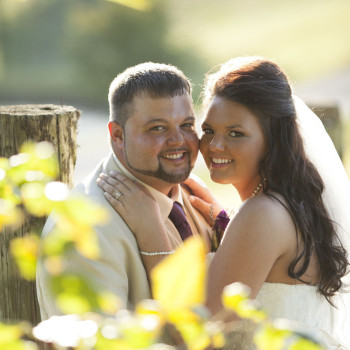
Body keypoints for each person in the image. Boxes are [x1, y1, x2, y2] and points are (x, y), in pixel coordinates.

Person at [97, 57, 350, 349]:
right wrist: (225, 226)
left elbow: (198, 334)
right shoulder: (291, 203)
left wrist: (150, 228)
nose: (215, 145)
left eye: (236, 133)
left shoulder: (263, 214)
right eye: (208, 130)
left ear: (273, 139)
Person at [36, 62, 212, 320]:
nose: (178, 141)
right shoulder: (84, 232)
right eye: (158, 128)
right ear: (117, 135)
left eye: (187, 125)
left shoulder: (192, 194)